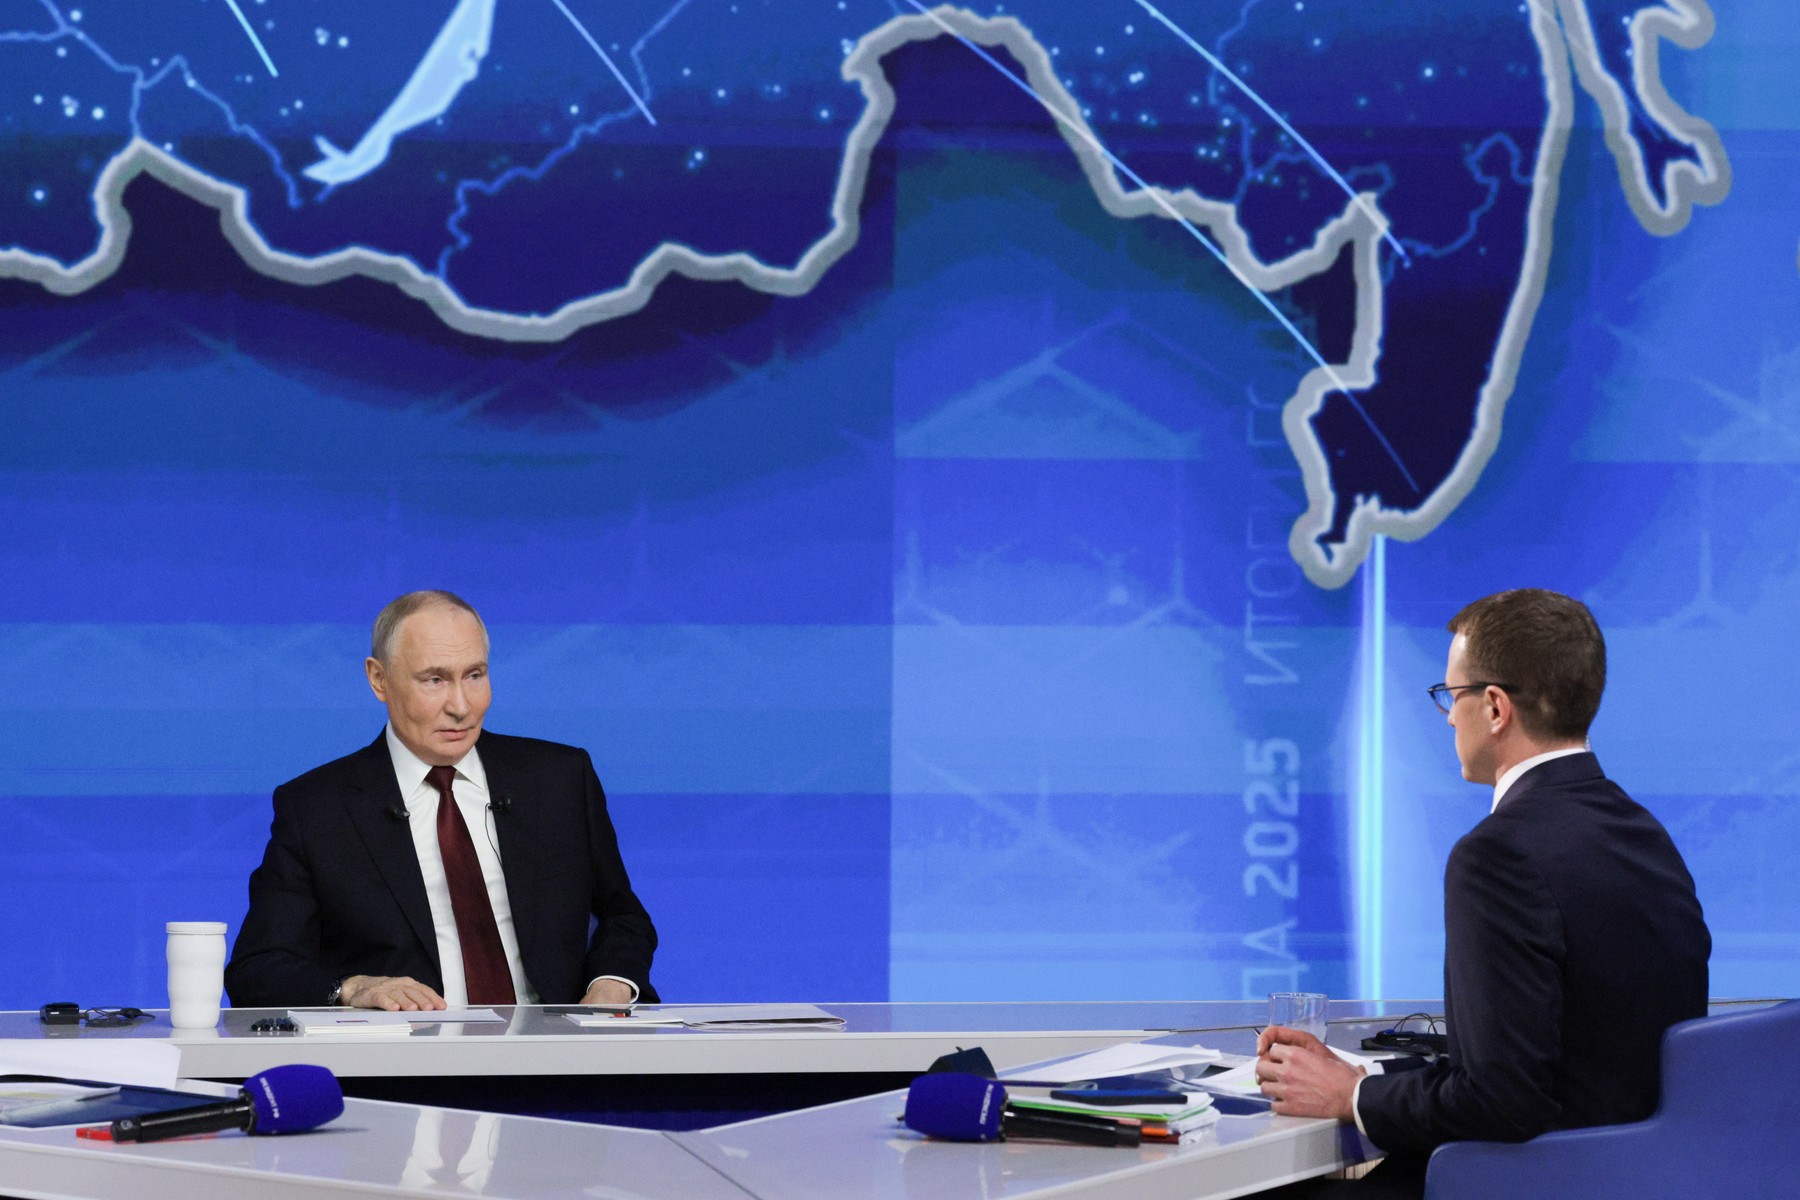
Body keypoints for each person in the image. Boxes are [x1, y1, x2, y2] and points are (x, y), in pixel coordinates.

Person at [1254, 589, 1709, 1197]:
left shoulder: (1497, 855)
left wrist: (1351, 1094)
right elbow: (1577, 1055)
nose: (1448, 717)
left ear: (1495, 707)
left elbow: (1501, 1101)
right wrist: (1367, 1075)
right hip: (1638, 1176)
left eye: (1452, 695)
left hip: (1530, 1181)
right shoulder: (1643, 832)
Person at [226, 590, 658, 1010]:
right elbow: (259, 969)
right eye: (434, 680)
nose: (461, 706)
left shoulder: (559, 779)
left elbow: (623, 917)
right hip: (407, 1052)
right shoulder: (317, 808)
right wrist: (353, 987)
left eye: (474, 675)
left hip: (555, 1047)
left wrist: (611, 983)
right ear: (379, 679)